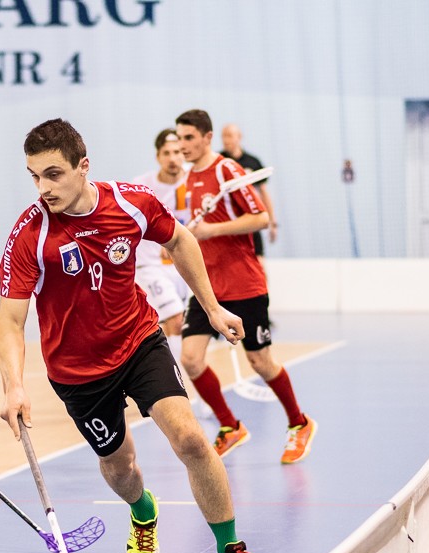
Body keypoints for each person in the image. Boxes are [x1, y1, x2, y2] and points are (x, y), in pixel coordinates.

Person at [0, 118, 274, 553]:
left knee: (190, 438)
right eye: (35, 176)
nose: (43, 188)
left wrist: (211, 307)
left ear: (83, 166)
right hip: (77, 370)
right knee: (119, 466)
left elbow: (179, 239)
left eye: (53, 174)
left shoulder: (129, 203)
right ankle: (143, 511)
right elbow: (9, 321)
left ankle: (232, 552)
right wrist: (14, 387)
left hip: (138, 341)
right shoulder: (30, 234)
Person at [175, 109, 316, 464]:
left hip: (243, 284)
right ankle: (230, 426)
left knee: (260, 362)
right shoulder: (190, 177)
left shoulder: (228, 170)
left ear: (207, 138)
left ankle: (299, 423)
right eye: (180, 138)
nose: (183, 145)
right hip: (208, 287)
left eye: (189, 137)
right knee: (190, 359)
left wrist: (213, 230)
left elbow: (261, 217)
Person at [130, 128, 191, 362]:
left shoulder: (193, 182)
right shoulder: (142, 186)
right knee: (176, 320)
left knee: (174, 324)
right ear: (158, 156)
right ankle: (177, 377)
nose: (173, 158)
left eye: (177, 152)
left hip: (182, 266)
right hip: (151, 266)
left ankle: (147, 358)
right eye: (167, 153)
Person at [219, 123, 277, 266]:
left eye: (230, 136)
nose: (226, 140)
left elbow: (263, 193)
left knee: (258, 264)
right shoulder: (219, 161)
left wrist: (272, 222)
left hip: (250, 219)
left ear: (239, 137)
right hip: (228, 221)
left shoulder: (252, 162)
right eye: (224, 136)